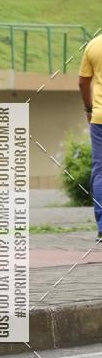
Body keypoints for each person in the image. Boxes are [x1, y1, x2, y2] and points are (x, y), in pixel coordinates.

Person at [79, 34, 102, 241]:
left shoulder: (94, 45)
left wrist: (88, 108)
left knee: (100, 171)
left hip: (99, 118)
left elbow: (83, 82)